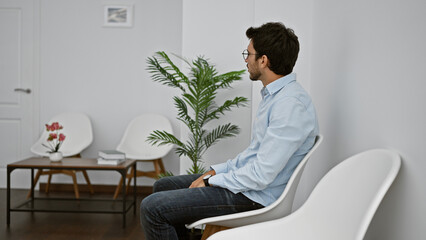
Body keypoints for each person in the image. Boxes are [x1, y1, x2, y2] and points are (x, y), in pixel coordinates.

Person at [140, 22, 319, 240]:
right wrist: (217, 171)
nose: (246, 59)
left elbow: (262, 175)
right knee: (163, 186)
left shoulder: (290, 105)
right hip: (250, 188)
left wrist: (210, 181)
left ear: (263, 60)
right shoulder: (276, 96)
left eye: (249, 54)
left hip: (256, 197)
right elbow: (253, 155)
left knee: (152, 208)